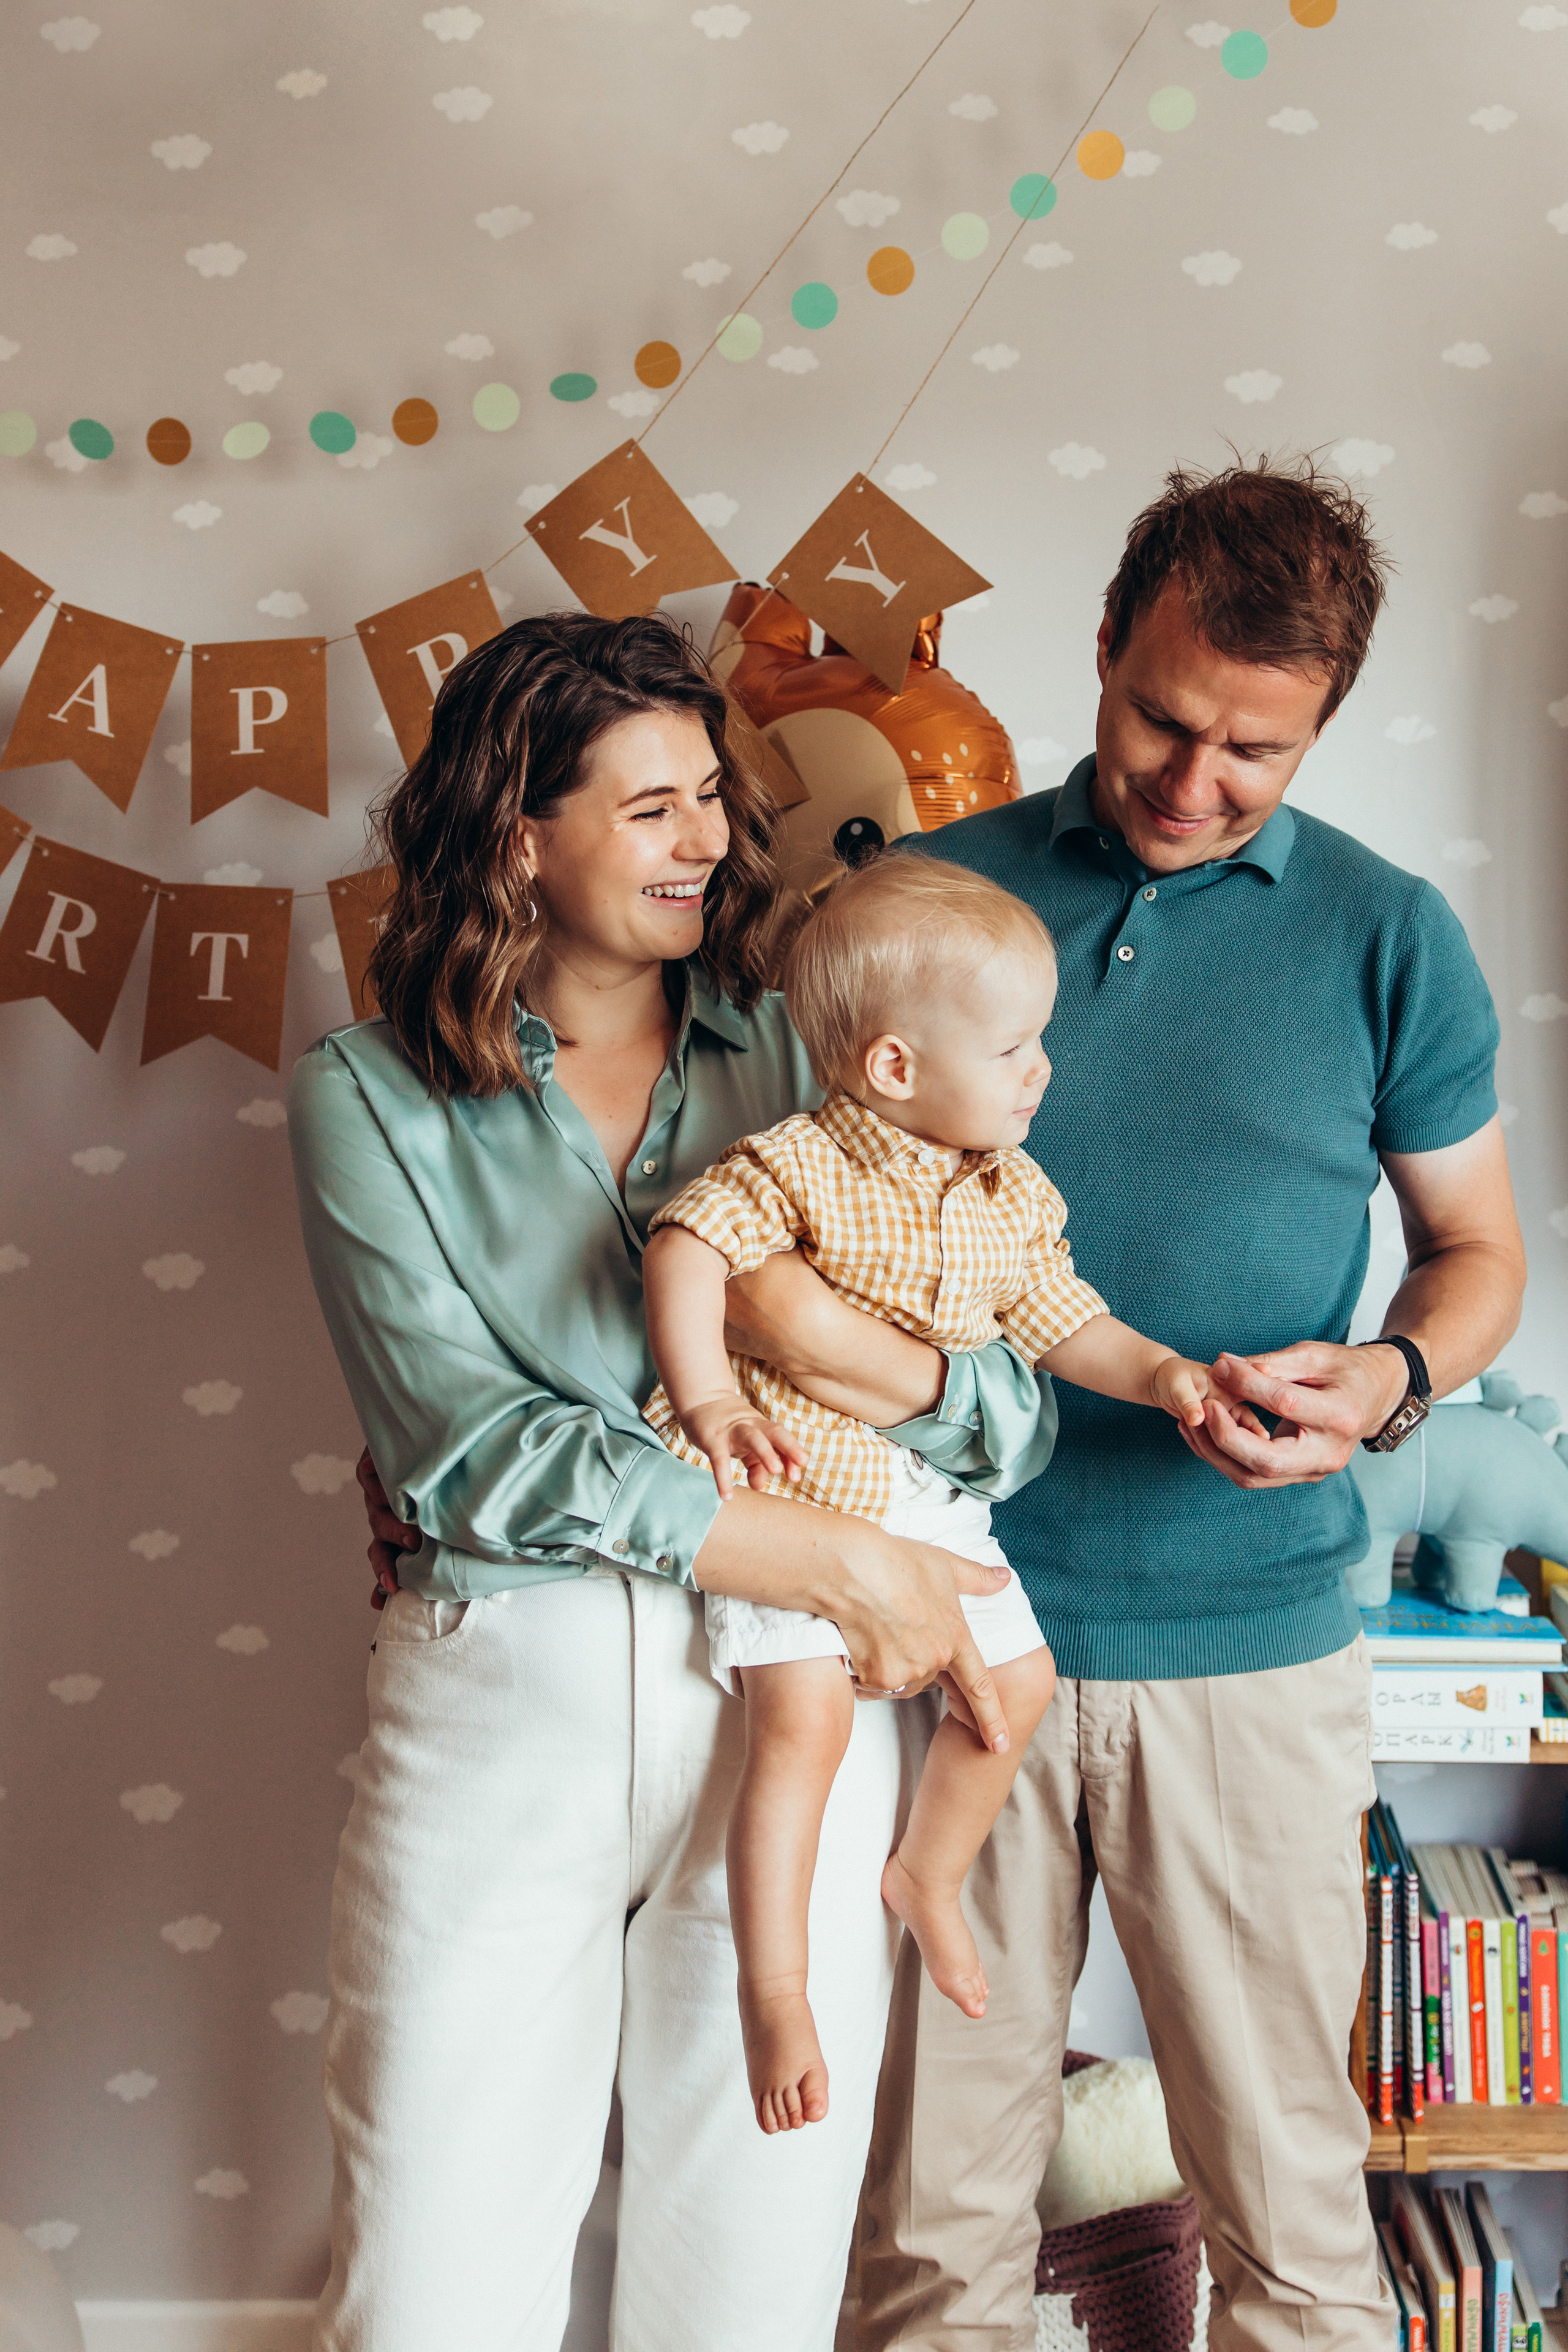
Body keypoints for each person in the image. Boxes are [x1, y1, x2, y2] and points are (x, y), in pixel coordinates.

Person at [288, 612, 1056, 2352]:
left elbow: (1011, 1405)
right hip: (517, 1693)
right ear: (516, 836)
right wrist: (826, 1552)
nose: (712, 837)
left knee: (752, 2275)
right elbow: (462, 1448)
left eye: (711, 795)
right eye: (652, 808)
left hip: (799, 1711)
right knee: (431, 2282)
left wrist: (854, 1363)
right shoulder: (369, 1097)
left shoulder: (811, 1047)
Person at [850, 459, 1527, 2351]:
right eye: (1162, 716)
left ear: (1320, 729)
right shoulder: (933, 899)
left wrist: (1388, 1378)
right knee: (929, 2231)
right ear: (1103, 645)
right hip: (951, 1635)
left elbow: (1475, 1249)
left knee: (1292, 2225)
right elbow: (804, 1238)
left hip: (1251, 1651)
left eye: (1257, 751)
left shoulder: (1390, 938)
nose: (1194, 780)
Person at [641, 854, 1214, 2136]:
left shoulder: (1012, 1192)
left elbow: (1064, 1324)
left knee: (1015, 1691)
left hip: (922, 1491)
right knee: (802, 1727)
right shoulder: (796, 1162)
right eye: (1014, 1047)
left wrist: (1166, 1374)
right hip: (795, 1483)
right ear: (893, 1068)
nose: (1039, 1070)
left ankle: (926, 1875)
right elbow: (686, 1249)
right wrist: (708, 1401)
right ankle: (774, 1987)